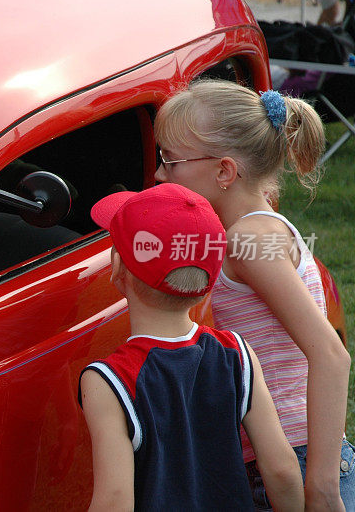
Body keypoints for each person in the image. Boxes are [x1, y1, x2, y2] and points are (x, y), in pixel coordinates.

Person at [153, 79, 353, 511]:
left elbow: (331, 356)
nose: (158, 174)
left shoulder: (247, 240)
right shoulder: (256, 220)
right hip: (281, 456)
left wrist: (319, 489)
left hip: (292, 462)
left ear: (225, 171)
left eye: (171, 161)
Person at [79, 183, 303, 511]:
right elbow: (282, 469)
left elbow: (115, 501)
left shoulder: (110, 380)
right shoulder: (237, 353)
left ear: (117, 269)